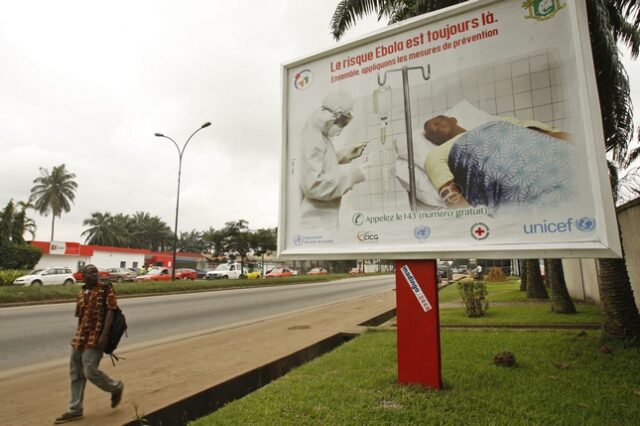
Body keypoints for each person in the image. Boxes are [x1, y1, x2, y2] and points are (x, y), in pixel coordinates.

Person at [423, 115, 573, 209]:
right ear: (431, 140)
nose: (433, 125)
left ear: (453, 118)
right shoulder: (436, 155)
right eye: (430, 130)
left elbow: (546, 136)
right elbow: (451, 194)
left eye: (437, 120)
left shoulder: (501, 122)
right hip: (521, 189)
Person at [55, 264, 124, 424]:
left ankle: (115, 387)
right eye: (90, 273)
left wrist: (104, 335)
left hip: (96, 336)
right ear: (83, 276)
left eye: (95, 272)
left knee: (90, 371)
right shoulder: (81, 292)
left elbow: (111, 310)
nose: (94, 275)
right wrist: (77, 336)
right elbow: (81, 316)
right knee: (75, 373)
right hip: (80, 337)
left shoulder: (106, 289)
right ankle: (75, 409)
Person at [299, 91, 368, 228]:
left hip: (322, 220)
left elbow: (320, 161)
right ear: (332, 116)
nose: (342, 126)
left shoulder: (318, 134)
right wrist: (349, 176)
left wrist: (344, 155)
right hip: (315, 224)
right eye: (342, 121)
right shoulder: (313, 137)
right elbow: (313, 185)